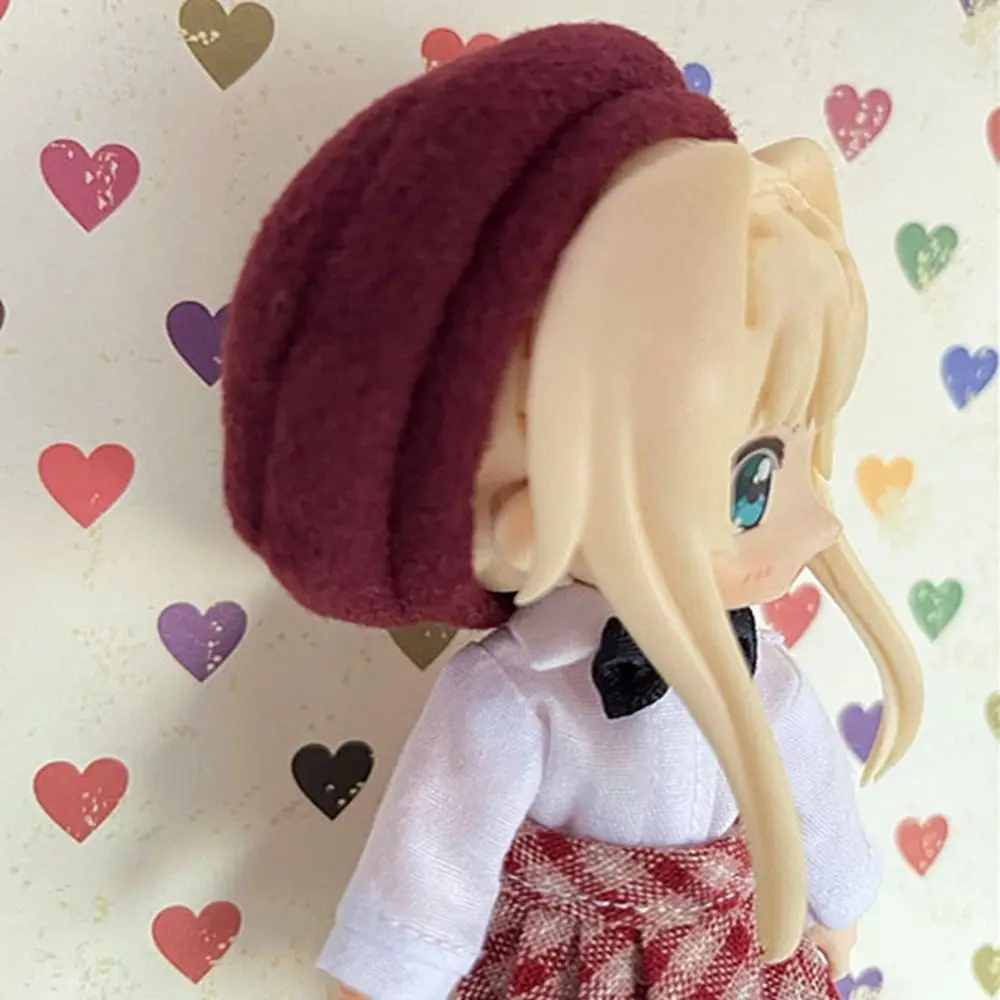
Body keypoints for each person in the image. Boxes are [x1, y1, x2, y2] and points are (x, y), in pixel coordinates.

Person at [220, 22, 924, 1000]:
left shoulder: (760, 671)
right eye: (752, 482)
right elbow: (437, 857)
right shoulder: (511, 696)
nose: (820, 526)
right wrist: (394, 973)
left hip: (735, 957)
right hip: (564, 966)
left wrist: (838, 907)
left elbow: (816, 797)